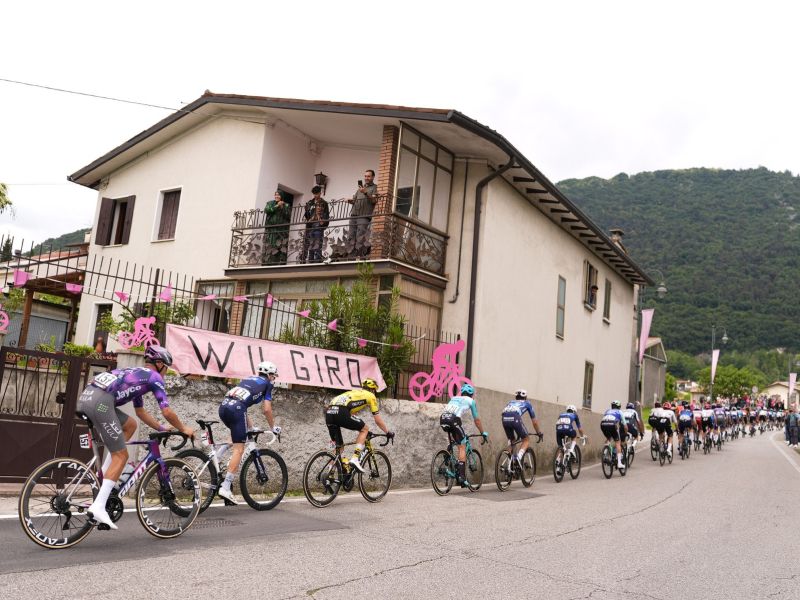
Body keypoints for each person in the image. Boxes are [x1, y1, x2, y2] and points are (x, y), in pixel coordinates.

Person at [76, 345, 194, 530]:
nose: (166, 372)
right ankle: (98, 506)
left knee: (130, 425)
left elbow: (140, 412)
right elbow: (167, 411)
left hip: (87, 399)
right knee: (121, 456)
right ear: (160, 364)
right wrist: (183, 428)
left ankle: (104, 478)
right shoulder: (154, 377)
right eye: (167, 367)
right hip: (100, 403)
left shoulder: (138, 375)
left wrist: (162, 428)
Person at [217, 361, 282, 504]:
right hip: (236, 410)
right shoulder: (267, 384)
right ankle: (226, 487)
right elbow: (267, 410)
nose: (273, 379)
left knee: (235, 436)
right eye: (273, 376)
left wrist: (251, 427)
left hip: (224, 407)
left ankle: (216, 458)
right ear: (269, 375)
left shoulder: (248, 379)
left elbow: (242, 406)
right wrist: (273, 427)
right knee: (239, 450)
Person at [325, 378, 393, 473]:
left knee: (339, 448)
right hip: (341, 411)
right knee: (365, 429)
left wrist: (359, 428)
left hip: (329, 413)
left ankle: (328, 474)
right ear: (373, 390)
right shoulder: (371, 396)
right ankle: (355, 458)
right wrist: (387, 432)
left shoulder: (354, 393)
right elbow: (377, 420)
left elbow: (352, 416)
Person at [440, 383, 487, 487]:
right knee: (462, 446)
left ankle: (447, 455)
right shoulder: (471, 401)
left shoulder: (454, 398)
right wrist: (482, 432)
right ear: (471, 394)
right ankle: (461, 477)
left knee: (455, 439)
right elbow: (477, 420)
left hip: (443, 418)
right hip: (454, 420)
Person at [500, 390, 543, 467]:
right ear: (525, 397)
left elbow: (506, 413)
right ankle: (518, 458)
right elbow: (535, 422)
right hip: (515, 418)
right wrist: (539, 432)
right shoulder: (527, 403)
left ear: (516, 397)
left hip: (504, 419)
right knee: (526, 439)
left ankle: (509, 463)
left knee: (512, 440)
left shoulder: (510, 402)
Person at [346, 169, 378, 258]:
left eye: (368, 176)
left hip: (364, 215)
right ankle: (351, 257)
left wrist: (366, 192)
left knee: (360, 236)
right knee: (351, 236)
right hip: (354, 214)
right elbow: (354, 200)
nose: (366, 178)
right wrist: (349, 200)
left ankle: (359, 256)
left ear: (373, 177)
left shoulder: (375, 187)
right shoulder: (360, 188)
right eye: (365, 176)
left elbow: (374, 200)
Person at [301, 186, 330, 263]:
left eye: (317, 194)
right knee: (309, 244)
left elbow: (326, 215)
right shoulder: (310, 203)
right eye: (314, 194)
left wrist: (323, 224)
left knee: (317, 244)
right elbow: (307, 215)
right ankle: (310, 261)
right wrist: (306, 210)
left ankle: (317, 261)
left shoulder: (324, 203)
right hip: (310, 226)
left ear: (320, 193)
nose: (315, 195)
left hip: (318, 226)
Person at [264, 190, 292, 264]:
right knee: (270, 245)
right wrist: (277, 206)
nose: (277, 196)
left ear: (281, 196)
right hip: (271, 229)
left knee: (279, 246)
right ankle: (268, 262)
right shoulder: (270, 203)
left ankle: (277, 262)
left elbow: (288, 216)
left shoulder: (286, 205)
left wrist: (282, 207)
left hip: (281, 230)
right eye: (276, 195)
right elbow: (267, 210)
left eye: (278, 195)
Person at [600, 401, 628, 469]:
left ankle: (605, 452)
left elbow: (606, 419)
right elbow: (625, 426)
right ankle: (619, 463)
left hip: (603, 424)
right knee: (618, 442)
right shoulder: (620, 412)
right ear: (619, 407)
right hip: (612, 424)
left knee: (608, 438)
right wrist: (625, 433)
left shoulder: (607, 411)